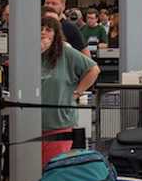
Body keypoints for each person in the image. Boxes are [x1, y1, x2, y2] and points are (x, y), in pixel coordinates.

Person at [39, 14, 99, 165]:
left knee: (53, 170)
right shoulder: (29, 54)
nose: (43, 32)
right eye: (40, 29)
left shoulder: (66, 53)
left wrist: (78, 92)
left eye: (48, 30)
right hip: (32, 124)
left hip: (59, 124)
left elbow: (93, 69)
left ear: (56, 34)